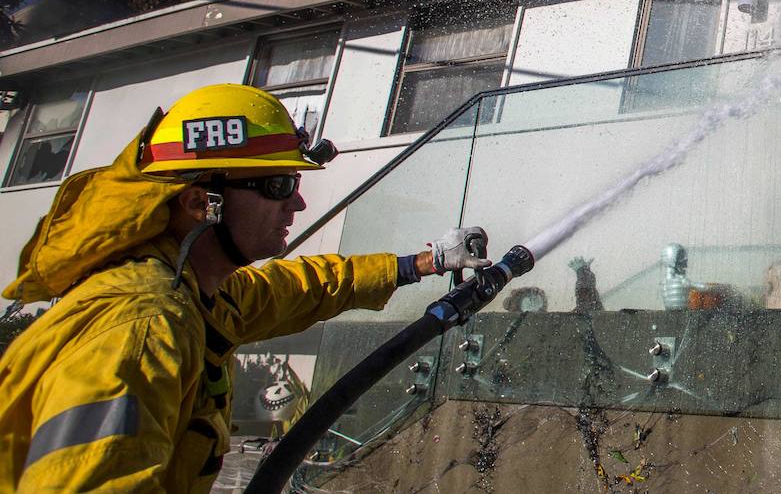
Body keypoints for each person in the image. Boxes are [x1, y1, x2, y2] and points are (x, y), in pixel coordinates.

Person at [0, 84, 489, 493]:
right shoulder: (142, 330)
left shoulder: (195, 291)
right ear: (202, 203)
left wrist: (424, 262)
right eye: (277, 185)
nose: (297, 203)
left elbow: (299, 287)